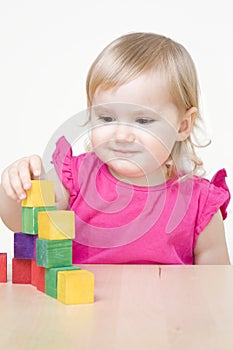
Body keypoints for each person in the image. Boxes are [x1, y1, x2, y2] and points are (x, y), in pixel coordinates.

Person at [0, 32, 231, 265]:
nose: (121, 135)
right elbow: (21, 223)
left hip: (166, 302)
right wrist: (15, 185)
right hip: (84, 302)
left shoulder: (200, 204)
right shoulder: (76, 180)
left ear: (182, 126)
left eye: (143, 121)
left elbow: (216, 287)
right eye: (107, 118)